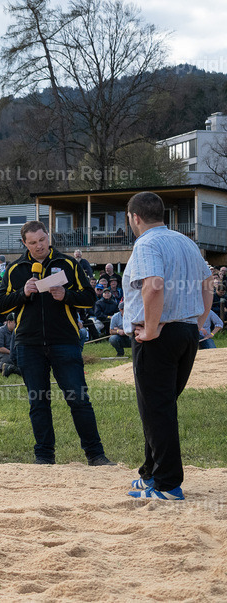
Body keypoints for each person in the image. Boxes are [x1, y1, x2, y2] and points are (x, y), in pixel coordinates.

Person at [0, 221, 114, 466]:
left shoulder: (70, 264)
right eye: (33, 242)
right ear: (24, 244)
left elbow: (90, 298)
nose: (39, 246)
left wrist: (66, 295)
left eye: (42, 240)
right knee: (38, 402)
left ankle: (96, 455)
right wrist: (22, 294)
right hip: (29, 344)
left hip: (65, 342)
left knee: (79, 399)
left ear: (48, 237)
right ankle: (44, 457)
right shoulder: (16, 269)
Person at [124, 192, 214, 501]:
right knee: (158, 407)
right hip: (185, 333)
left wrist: (150, 329)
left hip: (159, 337)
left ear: (135, 217)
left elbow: (154, 285)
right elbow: (208, 284)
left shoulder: (147, 243)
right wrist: (198, 322)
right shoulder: (186, 242)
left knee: (157, 410)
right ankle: (151, 473)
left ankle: (167, 484)